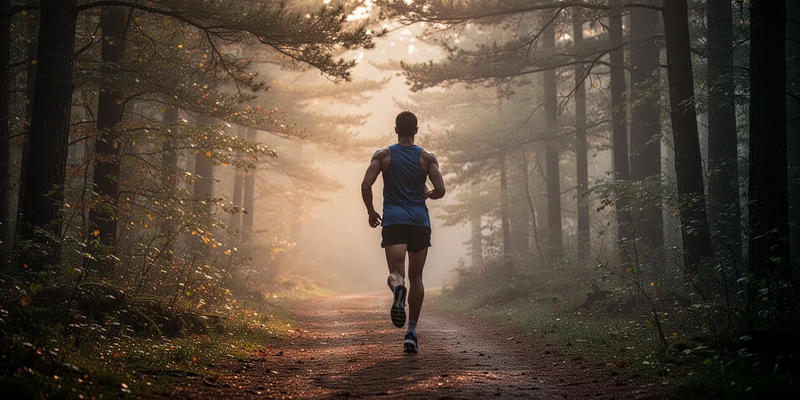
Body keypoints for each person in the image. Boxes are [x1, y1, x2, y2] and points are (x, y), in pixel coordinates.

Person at [360, 111, 446, 354]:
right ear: (416, 130)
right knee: (417, 277)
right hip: (419, 221)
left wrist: (370, 211)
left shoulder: (383, 155)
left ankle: (398, 288)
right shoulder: (427, 158)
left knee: (397, 273)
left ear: (396, 130)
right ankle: (411, 332)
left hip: (394, 221)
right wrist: (427, 193)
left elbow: (366, 184)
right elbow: (440, 189)